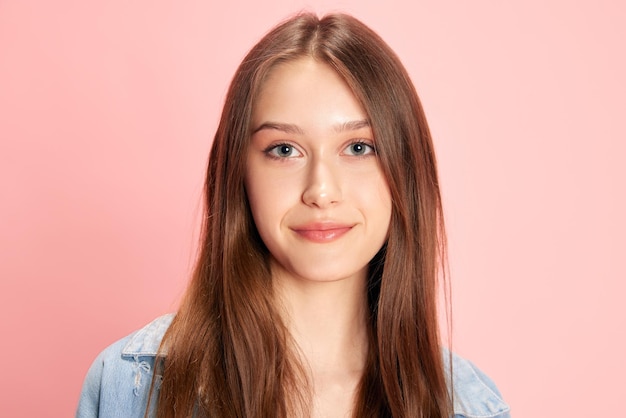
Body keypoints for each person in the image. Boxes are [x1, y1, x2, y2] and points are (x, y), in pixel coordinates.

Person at [76, 12, 510, 418]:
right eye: (284, 150)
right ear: (238, 173)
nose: (321, 191)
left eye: (359, 148)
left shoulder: (469, 404)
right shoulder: (131, 386)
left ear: (406, 171)